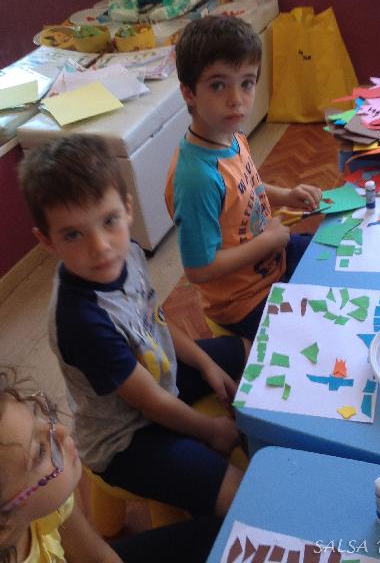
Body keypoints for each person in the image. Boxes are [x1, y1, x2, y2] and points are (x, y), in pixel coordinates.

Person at [18, 134, 247, 522]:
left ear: (127, 209)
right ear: (47, 241)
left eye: (108, 221)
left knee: (246, 351)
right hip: (125, 439)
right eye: (73, 234)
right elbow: (150, 404)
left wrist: (206, 364)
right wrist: (211, 431)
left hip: (158, 379)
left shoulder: (130, 253)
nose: (101, 247)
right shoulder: (81, 320)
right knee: (236, 494)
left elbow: (154, 321)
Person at [0, 367, 222, 563]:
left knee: (222, 533)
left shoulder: (45, 500)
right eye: (40, 451)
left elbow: (98, 557)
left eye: (39, 416)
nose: (62, 432)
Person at [165, 15, 322, 341]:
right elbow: (199, 269)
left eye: (247, 83)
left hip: (272, 258)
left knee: (332, 255)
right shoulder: (196, 180)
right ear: (189, 93)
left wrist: (286, 195)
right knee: (315, 334)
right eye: (218, 85)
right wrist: (266, 242)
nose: (237, 99)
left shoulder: (232, 136)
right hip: (243, 302)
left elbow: (247, 188)